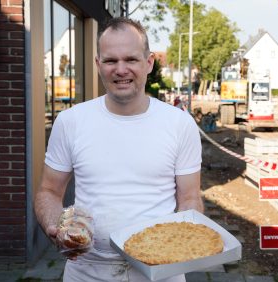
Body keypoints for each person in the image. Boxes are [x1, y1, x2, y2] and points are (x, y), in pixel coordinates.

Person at [34, 17, 203, 282]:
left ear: (148, 63)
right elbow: (49, 191)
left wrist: (183, 241)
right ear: (98, 65)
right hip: (87, 271)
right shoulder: (71, 122)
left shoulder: (179, 124)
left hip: (160, 272)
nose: (120, 70)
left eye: (131, 60)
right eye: (111, 61)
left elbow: (190, 197)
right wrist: (56, 228)